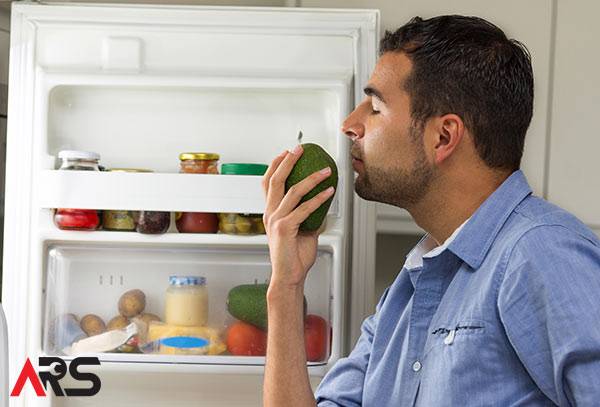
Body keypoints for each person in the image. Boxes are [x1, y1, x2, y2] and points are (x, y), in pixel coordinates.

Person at [261, 15, 600, 407]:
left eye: (374, 106)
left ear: (443, 136)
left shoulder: (540, 254)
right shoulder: (406, 294)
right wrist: (286, 285)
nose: (350, 125)